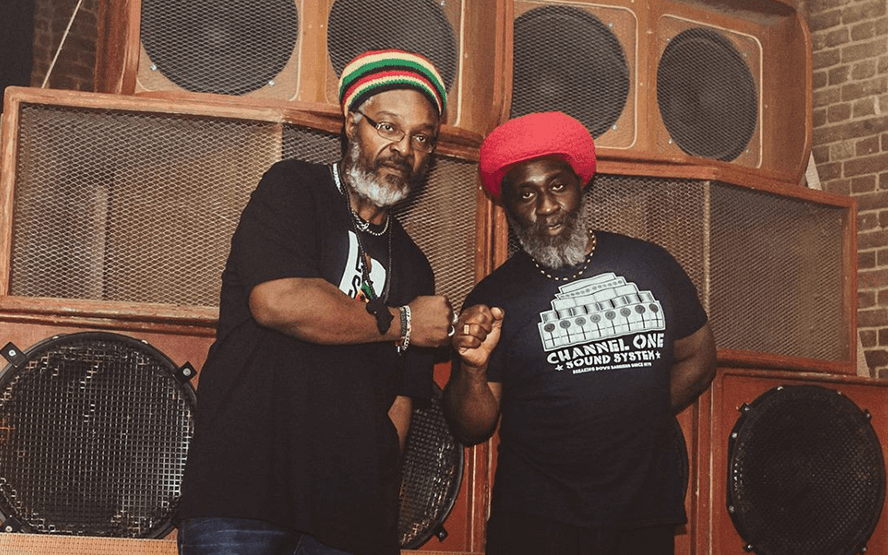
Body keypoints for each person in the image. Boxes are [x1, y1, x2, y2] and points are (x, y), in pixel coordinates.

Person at [176, 50, 458, 555]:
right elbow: (278, 301)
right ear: (351, 124)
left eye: (422, 138)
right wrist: (404, 321)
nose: (403, 148)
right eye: (388, 127)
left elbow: (400, 403)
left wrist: (376, 504)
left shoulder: (415, 266)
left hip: (352, 526)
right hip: (245, 499)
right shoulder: (293, 188)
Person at [443, 112, 717, 555]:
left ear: (580, 185)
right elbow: (471, 427)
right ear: (507, 207)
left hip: (642, 515)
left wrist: (636, 414)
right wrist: (472, 369)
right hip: (536, 522)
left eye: (557, 185)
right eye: (526, 194)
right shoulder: (494, 297)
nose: (547, 206)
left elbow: (700, 357)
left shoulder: (651, 266)